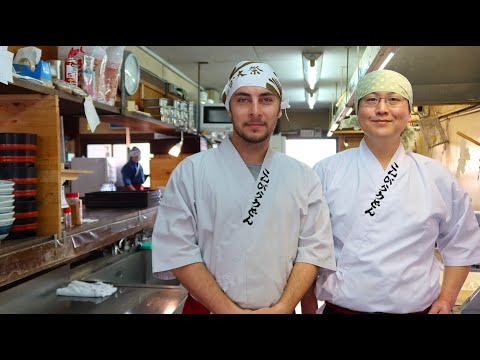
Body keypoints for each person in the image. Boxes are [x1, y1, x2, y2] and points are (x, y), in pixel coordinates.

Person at [151, 61, 336, 314]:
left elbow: (314, 249)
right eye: (243, 99)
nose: (255, 111)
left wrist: (283, 308)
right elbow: (177, 249)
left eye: (266, 99)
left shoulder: (303, 177)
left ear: (280, 109)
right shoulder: (191, 172)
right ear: (228, 105)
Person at [302, 69, 480, 315]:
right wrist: (308, 308)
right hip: (341, 310)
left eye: (394, 99)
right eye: (371, 100)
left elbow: (462, 242)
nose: (382, 109)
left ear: (409, 112)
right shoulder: (326, 171)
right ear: (358, 112)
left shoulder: (436, 176)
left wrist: (447, 299)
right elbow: (309, 247)